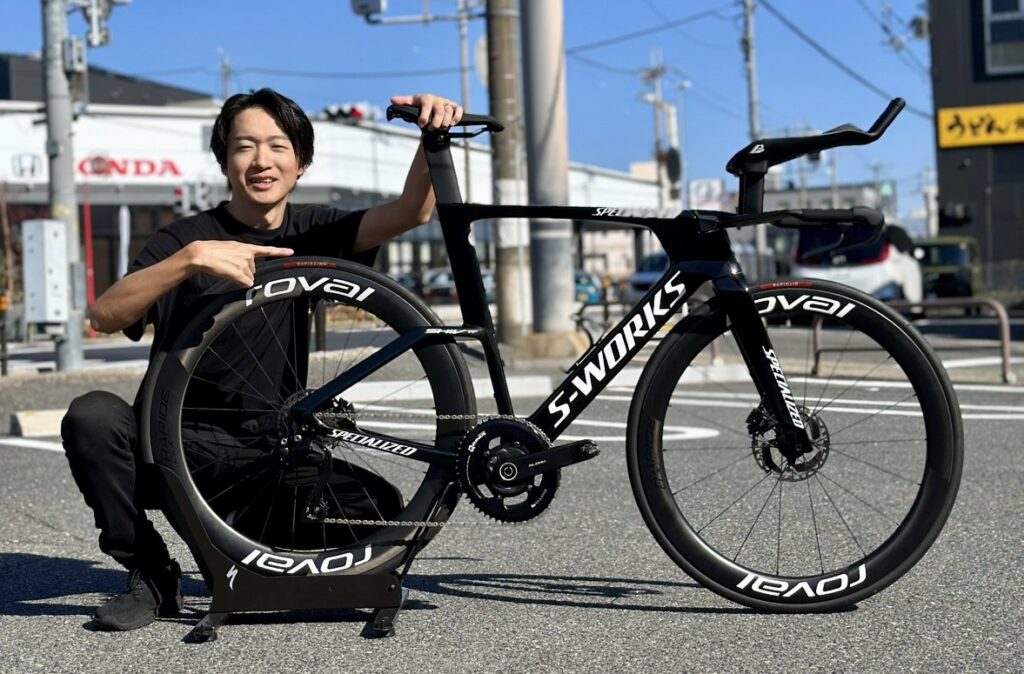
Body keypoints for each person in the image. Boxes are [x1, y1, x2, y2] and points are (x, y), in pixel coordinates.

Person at [60, 88, 463, 631]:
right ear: (224, 159)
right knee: (93, 416)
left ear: (302, 162)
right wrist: (189, 261)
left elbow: (412, 211)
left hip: (271, 452)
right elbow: (105, 315)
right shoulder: (184, 240)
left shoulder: (313, 232)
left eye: (277, 146)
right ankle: (150, 571)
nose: (261, 161)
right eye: (244, 146)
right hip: (173, 445)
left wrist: (432, 133)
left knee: (380, 512)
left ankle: (243, 538)